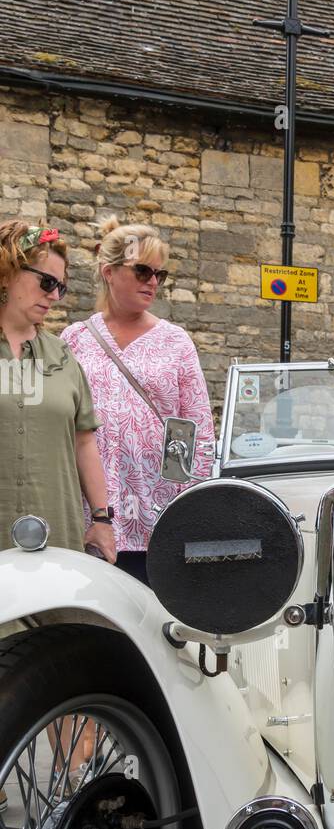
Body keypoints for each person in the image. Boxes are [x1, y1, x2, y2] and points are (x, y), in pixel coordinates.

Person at [63, 218, 215, 585]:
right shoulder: (75, 339)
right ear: (109, 272)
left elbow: (196, 432)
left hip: (156, 514)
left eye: (159, 275)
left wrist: (189, 513)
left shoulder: (175, 342)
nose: (152, 282)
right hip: (90, 516)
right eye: (143, 270)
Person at [0, 220, 115, 560]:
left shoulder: (63, 356)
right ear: (7, 272)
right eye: (47, 282)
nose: (54, 295)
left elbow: (84, 442)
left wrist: (101, 519)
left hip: (55, 535)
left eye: (60, 287)